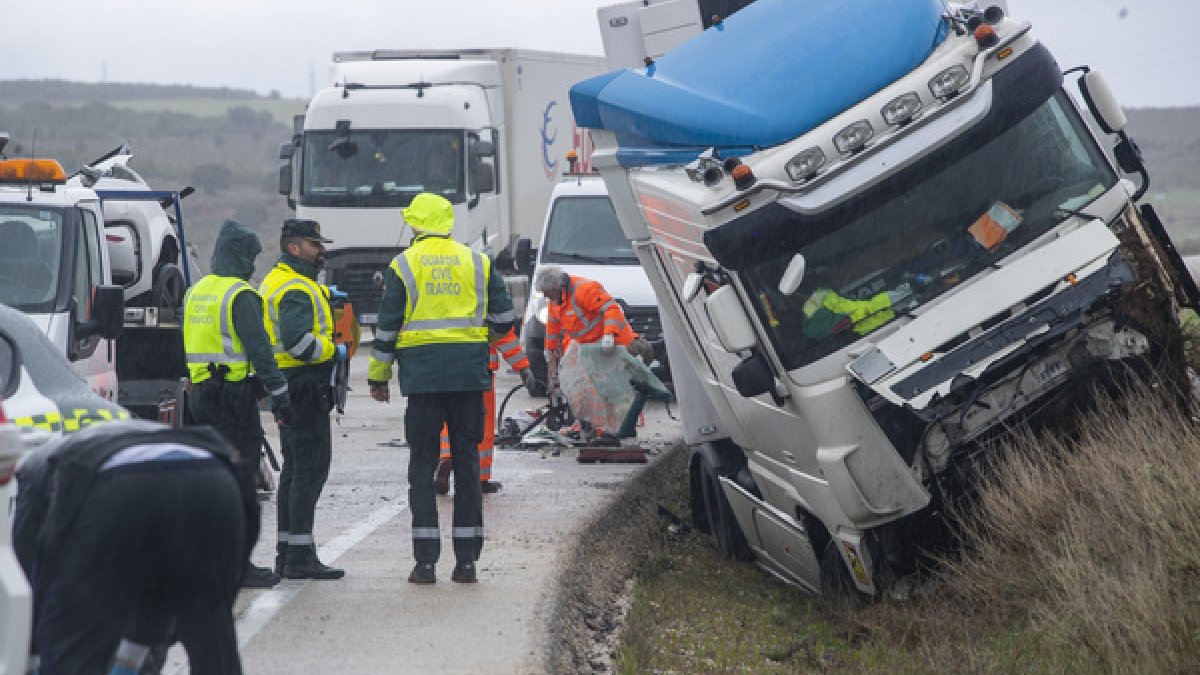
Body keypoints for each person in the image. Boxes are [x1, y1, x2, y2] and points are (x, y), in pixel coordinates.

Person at [13, 420, 256, 675]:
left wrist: (31, 656)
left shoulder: (31, 473)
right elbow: (155, 600)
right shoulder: (75, 449)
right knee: (212, 641)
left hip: (121, 488)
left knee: (73, 647)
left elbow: (30, 574)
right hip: (216, 479)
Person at [367, 192, 515, 584]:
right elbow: (504, 318)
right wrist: (482, 339)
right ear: (449, 224)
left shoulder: (403, 265)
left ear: (415, 225)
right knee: (467, 464)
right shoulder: (478, 262)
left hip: (423, 380)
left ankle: (425, 563)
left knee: (422, 465)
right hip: (468, 377)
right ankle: (466, 563)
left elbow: (386, 329)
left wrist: (378, 378)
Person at [183, 219, 289, 589]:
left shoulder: (197, 291)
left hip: (200, 397)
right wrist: (278, 390)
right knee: (240, 483)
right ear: (240, 254)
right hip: (232, 397)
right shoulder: (240, 295)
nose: (253, 264)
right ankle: (238, 565)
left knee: (211, 480)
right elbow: (259, 349)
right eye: (251, 256)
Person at [259, 218, 346, 580]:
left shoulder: (283, 280)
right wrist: (332, 350)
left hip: (289, 386)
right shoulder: (295, 287)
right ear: (293, 248)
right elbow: (297, 342)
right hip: (303, 386)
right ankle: (298, 557)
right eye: (314, 245)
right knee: (309, 469)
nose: (321, 250)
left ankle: (290, 552)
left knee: (295, 471)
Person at [535, 266, 640, 443]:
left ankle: (620, 429)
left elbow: (612, 309)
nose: (546, 297)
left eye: (547, 292)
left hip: (614, 342)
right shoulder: (555, 299)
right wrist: (550, 349)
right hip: (589, 345)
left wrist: (609, 335)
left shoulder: (585, 289)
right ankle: (598, 427)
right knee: (583, 385)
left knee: (613, 389)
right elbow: (553, 326)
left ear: (557, 286)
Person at [434, 326, 537, 495]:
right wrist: (522, 367)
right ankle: (479, 479)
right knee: (481, 421)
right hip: (479, 367)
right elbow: (502, 333)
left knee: (448, 417)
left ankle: (446, 456)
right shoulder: (485, 298)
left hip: (444, 364)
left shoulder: (435, 298)